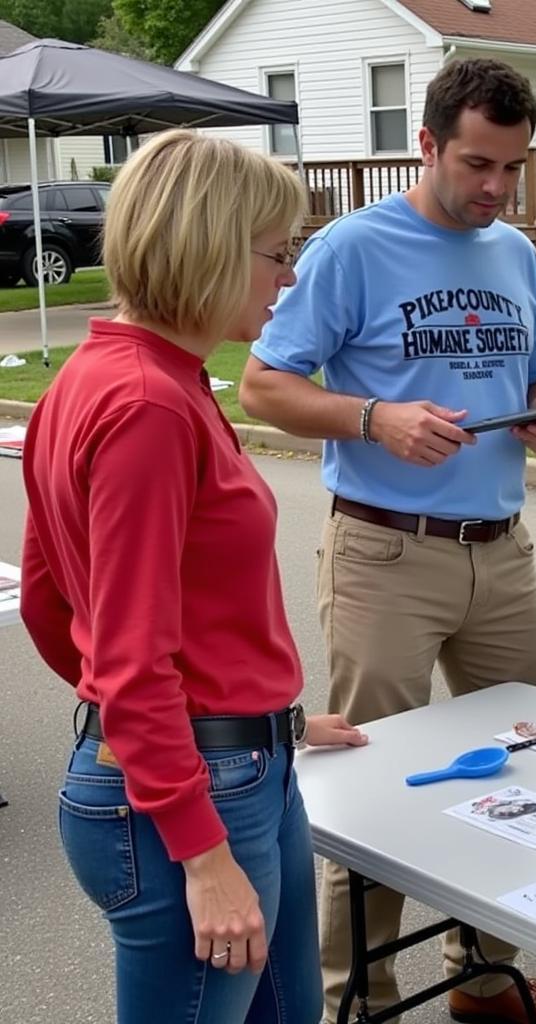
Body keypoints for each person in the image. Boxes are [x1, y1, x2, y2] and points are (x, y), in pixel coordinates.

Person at [239, 58, 536, 1024]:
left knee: (522, 763)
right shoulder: (352, 249)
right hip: (386, 555)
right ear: (427, 144)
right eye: (478, 164)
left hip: (503, 553)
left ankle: (484, 981)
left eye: (513, 169)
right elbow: (263, 385)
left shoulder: (513, 254)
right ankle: (358, 998)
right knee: (373, 790)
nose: (495, 189)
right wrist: (371, 417)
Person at [20, 129, 367, 1024]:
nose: (287, 278)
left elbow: (59, 603)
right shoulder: (146, 406)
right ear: (209, 245)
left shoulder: (126, 377)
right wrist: (198, 845)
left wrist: (252, 709)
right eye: (277, 254)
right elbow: (125, 657)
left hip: (233, 762)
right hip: (195, 797)